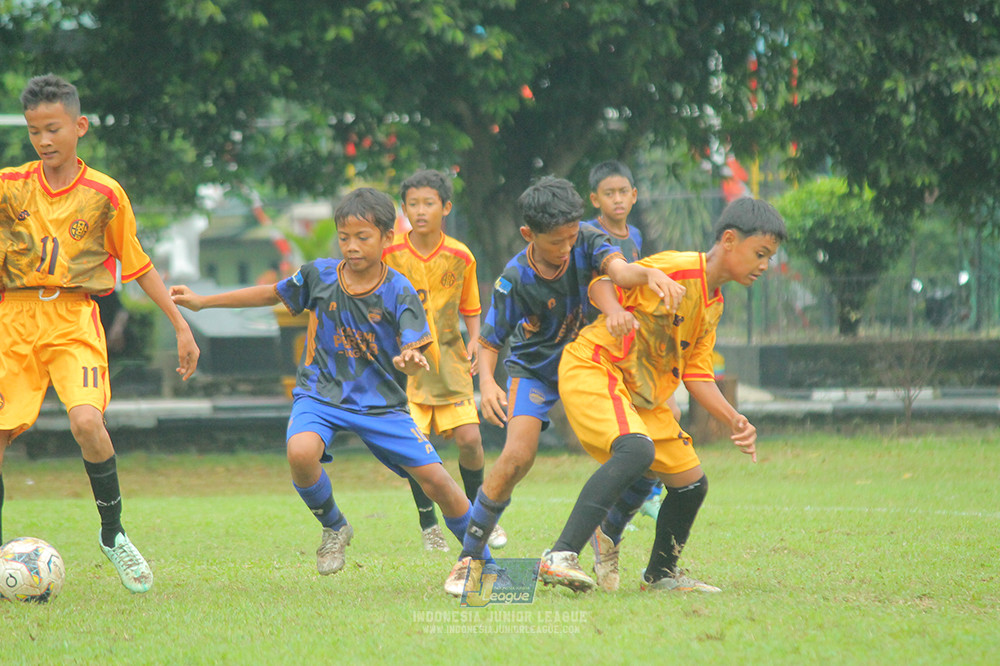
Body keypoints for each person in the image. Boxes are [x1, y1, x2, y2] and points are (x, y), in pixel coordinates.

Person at [170, 187, 490, 588]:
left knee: (438, 482)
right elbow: (270, 293)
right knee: (300, 453)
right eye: (344, 237)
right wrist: (203, 302)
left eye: (363, 237)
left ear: (387, 238)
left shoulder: (399, 289)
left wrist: (409, 356)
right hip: (320, 395)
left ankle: (483, 562)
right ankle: (334, 526)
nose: (352, 247)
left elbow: (413, 341)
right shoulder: (318, 275)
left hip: (381, 406)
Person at [0, 74, 200, 593]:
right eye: (34, 132)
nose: (44, 141)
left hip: (72, 318)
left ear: (78, 126)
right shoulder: (8, 185)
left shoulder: (104, 194)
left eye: (53, 129)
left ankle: (113, 535)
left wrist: (181, 325)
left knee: (88, 422)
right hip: (12, 321)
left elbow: (138, 266)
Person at [443, 176, 685, 596]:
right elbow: (489, 339)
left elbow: (620, 270)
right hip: (536, 371)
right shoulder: (515, 278)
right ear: (528, 235)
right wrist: (486, 384)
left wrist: (647, 277)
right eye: (557, 241)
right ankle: (471, 557)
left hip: (594, 365)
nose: (568, 247)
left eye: (572, 237)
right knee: (517, 457)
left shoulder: (588, 239)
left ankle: (610, 529)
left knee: (660, 434)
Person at [538, 197, 787, 593]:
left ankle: (660, 575)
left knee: (691, 482)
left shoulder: (713, 304)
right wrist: (616, 310)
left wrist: (733, 418)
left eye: (769, 257)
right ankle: (560, 555)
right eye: (760, 253)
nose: (764, 265)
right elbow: (606, 280)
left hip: (642, 395)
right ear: (728, 240)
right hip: (597, 366)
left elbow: (697, 374)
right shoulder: (677, 267)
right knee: (637, 451)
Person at [382, 169, 506, 553]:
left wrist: (474, 338)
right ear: (404, 209)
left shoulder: (460, 255)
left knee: (470, 439)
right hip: (405, 365)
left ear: (445, 208)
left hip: (450, 362)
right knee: (414, 448)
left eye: (429, 203)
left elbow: (471, 304)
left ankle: (480, 518)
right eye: (413, 204)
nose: (421, 211)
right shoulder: (390, 255)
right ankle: (429, 525)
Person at [584, 160, 674, 527]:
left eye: (623, 192)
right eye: (609, 193)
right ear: (595, 199)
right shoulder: (589, 234)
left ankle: (644, 495)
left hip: (632, 342)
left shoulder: (634, 235)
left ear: (634, 196)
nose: (617, 200)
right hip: (599, 341)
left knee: (668, 413)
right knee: (622, 430)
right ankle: (623, 500)